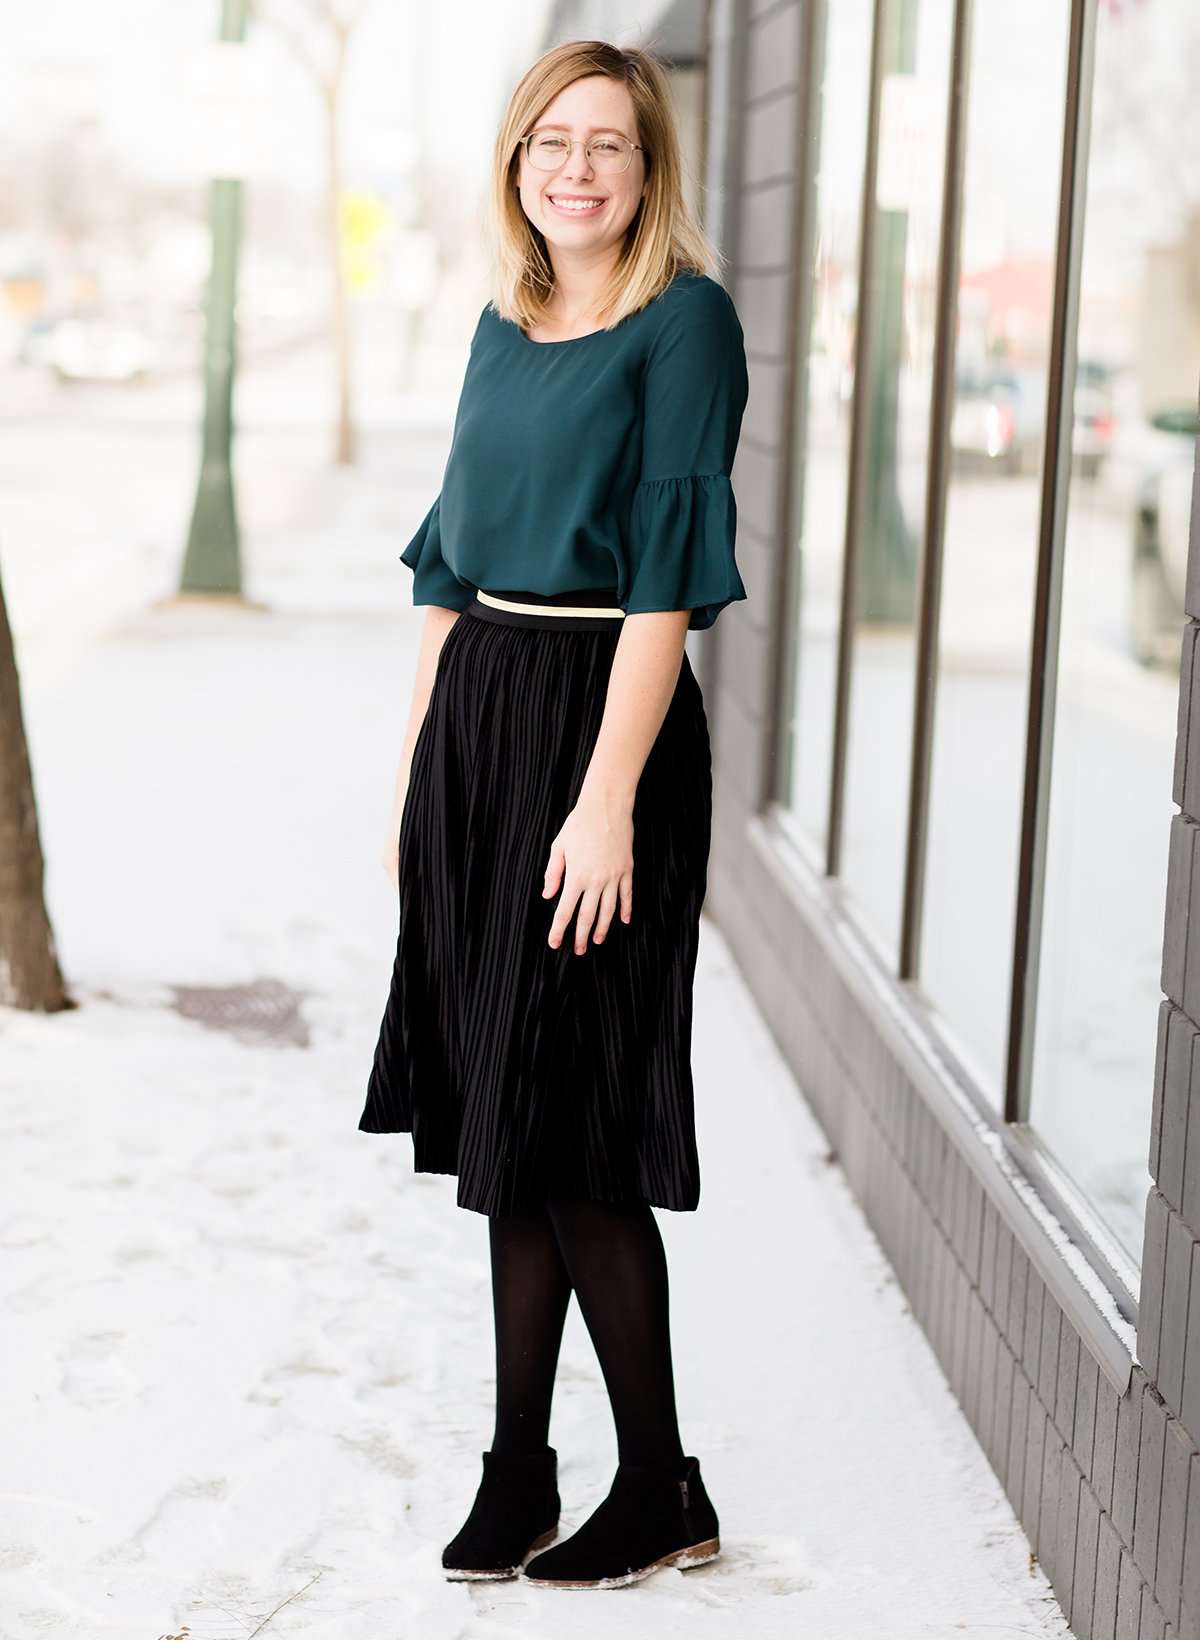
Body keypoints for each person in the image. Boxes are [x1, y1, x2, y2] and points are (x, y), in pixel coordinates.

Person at [358, 37, 749, 1591]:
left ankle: (662, 1486)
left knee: (576, 1120)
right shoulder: (504, 321)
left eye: (609, 145)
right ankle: (520, 1471)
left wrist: (605, 808)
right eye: (550, 144)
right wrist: (414, 776)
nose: (576, 169)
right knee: (505, 1128)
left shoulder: (685, 323)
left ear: (650, 170)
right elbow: (449, 565)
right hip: (481, 721)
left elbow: (666, 589)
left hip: (606, 725)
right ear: (516, 165)